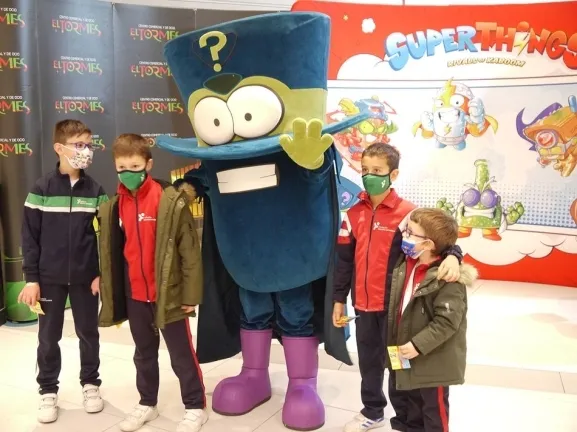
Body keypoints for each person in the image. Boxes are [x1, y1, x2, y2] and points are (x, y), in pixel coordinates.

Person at [332, 142, 464, 432]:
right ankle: (372, 410)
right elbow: (343, 261)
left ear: (393, 175)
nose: (369, 176)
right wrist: (339, 299)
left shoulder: (408, 214)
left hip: (396, 310)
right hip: (363, 306)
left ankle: (405, 419)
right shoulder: (353, 215)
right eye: (365, 169)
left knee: (398, 363)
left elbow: (439, 241)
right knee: (369, 362)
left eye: (377, 170)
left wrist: (454, 256)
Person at [97, 133, 207, 432]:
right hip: (135, 295)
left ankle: (195, 406)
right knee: (143, 353)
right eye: (121, 167)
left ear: (148, 164)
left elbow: (189, 251)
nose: (128, 173)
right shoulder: (114, 205)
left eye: (134, 166)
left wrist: (190, 295)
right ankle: (147, 403)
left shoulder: (169, 201)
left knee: (181, 355)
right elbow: (114, 252)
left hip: (169, 294)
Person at [19, 119, 108, 423]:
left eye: (89, 145)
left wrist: (101, 273)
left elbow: (106, 238)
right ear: (59, 148)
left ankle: (91, 383)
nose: (86, 151)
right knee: (48, 337)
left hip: (86, 279)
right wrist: (32, 279)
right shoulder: (41, 189)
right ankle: (47, 390)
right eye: (79, 145)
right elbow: (29, 237)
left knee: (89, 333)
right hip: (49, 280)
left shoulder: (95, 190)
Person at [386, 208, 477, 432]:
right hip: (402, 351)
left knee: (433, 411)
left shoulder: (448, 278)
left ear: (428, 244)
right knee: (405, 402)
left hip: (431, 359)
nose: (405, 236)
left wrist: (418, 345)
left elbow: (447, 322)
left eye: (410, 233)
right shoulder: (406, 262)